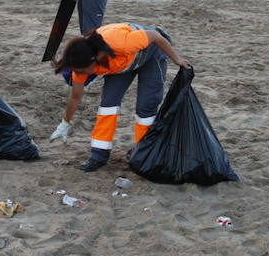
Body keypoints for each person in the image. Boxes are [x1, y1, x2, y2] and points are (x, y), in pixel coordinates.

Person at [49, 24, 191, 172]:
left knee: (146, 106)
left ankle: (145, 153)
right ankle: (98, 155)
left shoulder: (121, 43)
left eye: (83, 71)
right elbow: (76, 96)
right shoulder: (81, 64)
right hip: (122, 65)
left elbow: (155, 36)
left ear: (93, 59)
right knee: (108, 104)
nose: (81, 74)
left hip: (151, 54)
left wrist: (177, 59)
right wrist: (65, 123)